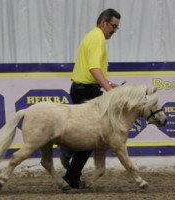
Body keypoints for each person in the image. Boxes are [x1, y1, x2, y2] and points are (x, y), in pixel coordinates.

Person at [60, 8, 121, 189]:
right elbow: (94, 69)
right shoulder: (98, 39)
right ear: (103, 23)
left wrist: (110, 84)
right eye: (113, 26)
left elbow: (94, 71)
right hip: (86, 91)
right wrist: (109, 89)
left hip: (83, 88)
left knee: (89, 137)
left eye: (117, 27)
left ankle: (70, 169)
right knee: (90, 138)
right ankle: (68, 153)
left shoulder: (92, 36)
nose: (115, 31)